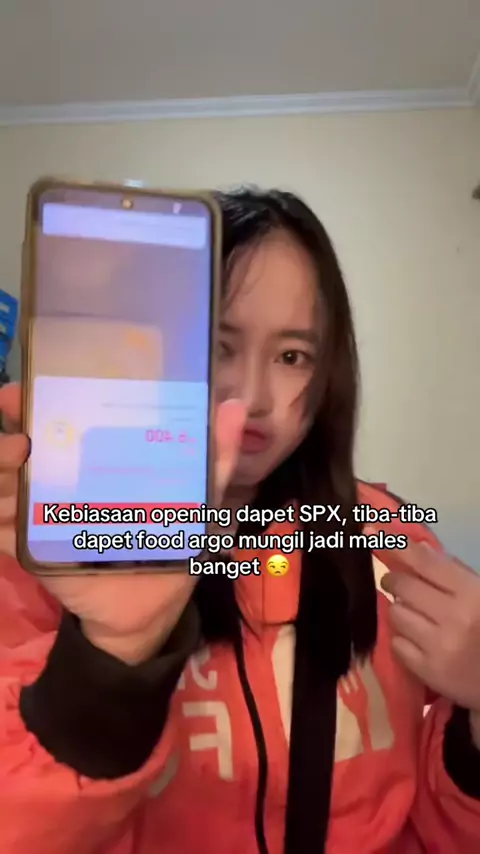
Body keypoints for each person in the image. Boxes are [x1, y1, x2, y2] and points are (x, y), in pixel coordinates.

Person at [1, 187, 480, 854]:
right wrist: (109, 660)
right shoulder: (50, 555)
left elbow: (439, 829)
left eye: (292, 357)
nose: (252, 398)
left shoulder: (390, 542)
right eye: (218, 346)